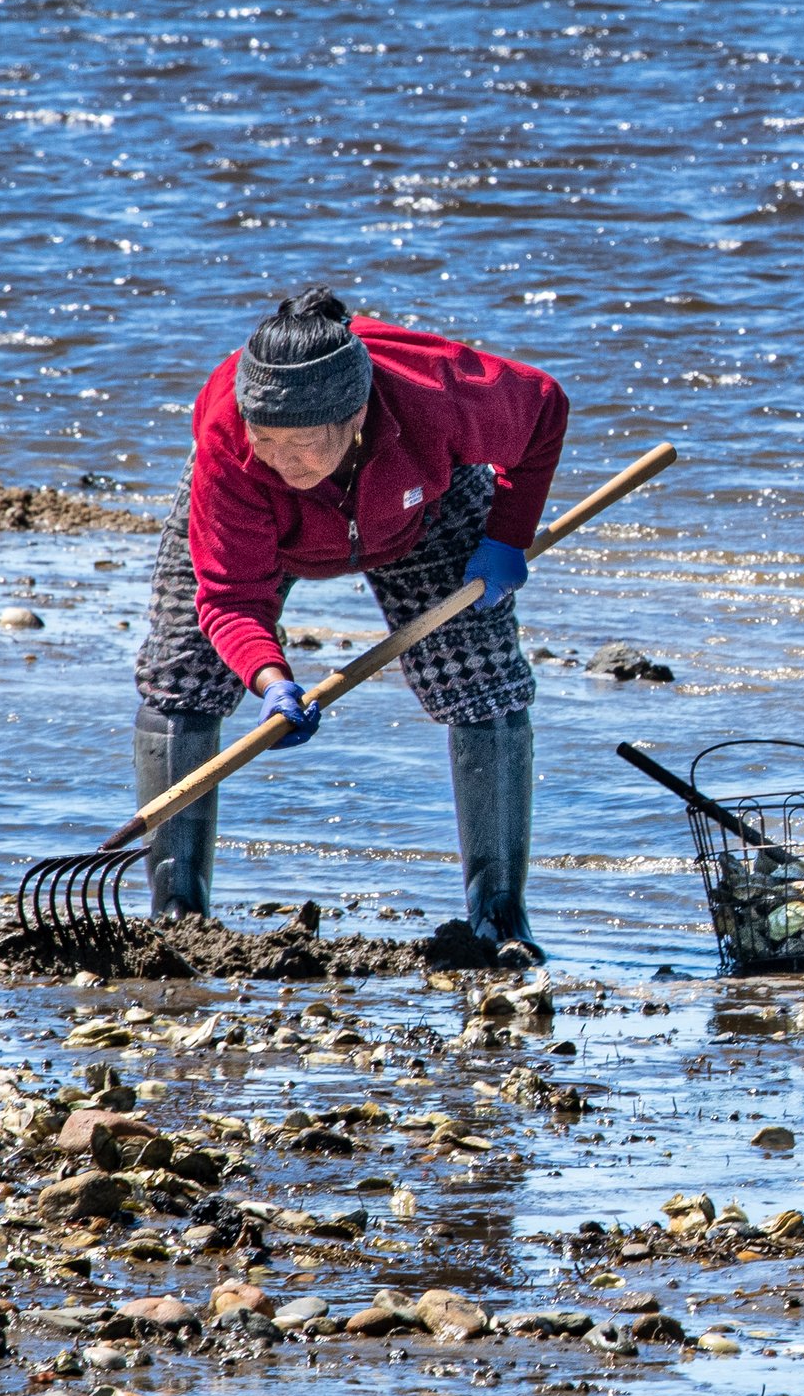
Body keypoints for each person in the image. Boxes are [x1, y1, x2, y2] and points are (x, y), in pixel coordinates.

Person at [130, 286, 568, 966]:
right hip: (264, 532)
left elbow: (542, 411)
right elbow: (229, 598)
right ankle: (178, 911)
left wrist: (508, 536)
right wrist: (270, 680)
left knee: (485, 686)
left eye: (303, 445)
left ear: (356, 415)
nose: (282, 461)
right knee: (182, 678)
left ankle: (499, 916)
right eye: (266, 439)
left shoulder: (433, 391)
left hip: (424, 509)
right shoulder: (231, 444)